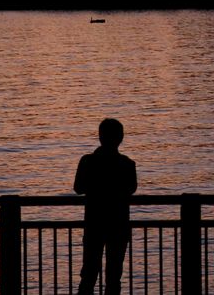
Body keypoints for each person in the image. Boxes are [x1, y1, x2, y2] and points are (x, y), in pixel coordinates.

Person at [74, 118, 137, 295]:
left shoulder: (87, 161)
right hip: (118, 225)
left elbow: (78, 188)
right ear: (121, 138)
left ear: (100, 137)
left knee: (88, 274)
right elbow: (131, 189)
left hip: (94, 224)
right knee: (114, 276)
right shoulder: (127, 164)